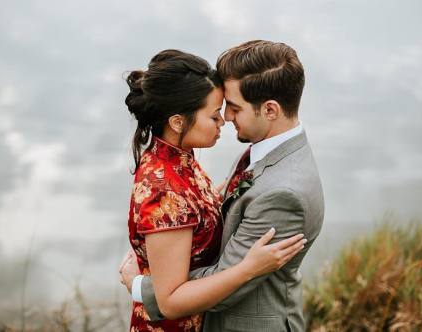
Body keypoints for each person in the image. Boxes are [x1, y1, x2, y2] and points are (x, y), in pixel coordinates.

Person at [121, 40, 325, 332]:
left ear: (270, 110)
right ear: (178, 122)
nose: (226, 118)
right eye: (218, 112)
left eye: (233, 108)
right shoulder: (265, 151)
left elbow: (224, 278)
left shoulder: (283, 193)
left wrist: (141, 286)